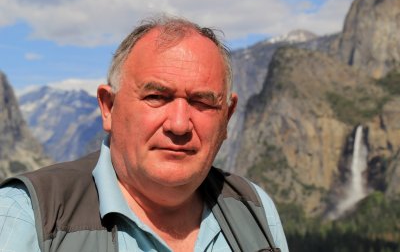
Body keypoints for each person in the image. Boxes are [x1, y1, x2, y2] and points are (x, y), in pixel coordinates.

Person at [0, 15, 289, 252]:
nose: (179, 125)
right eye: (156, 97)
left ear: (227, 118)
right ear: (108, 107)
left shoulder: (255, 209)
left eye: (201, 102)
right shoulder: (27, 215)